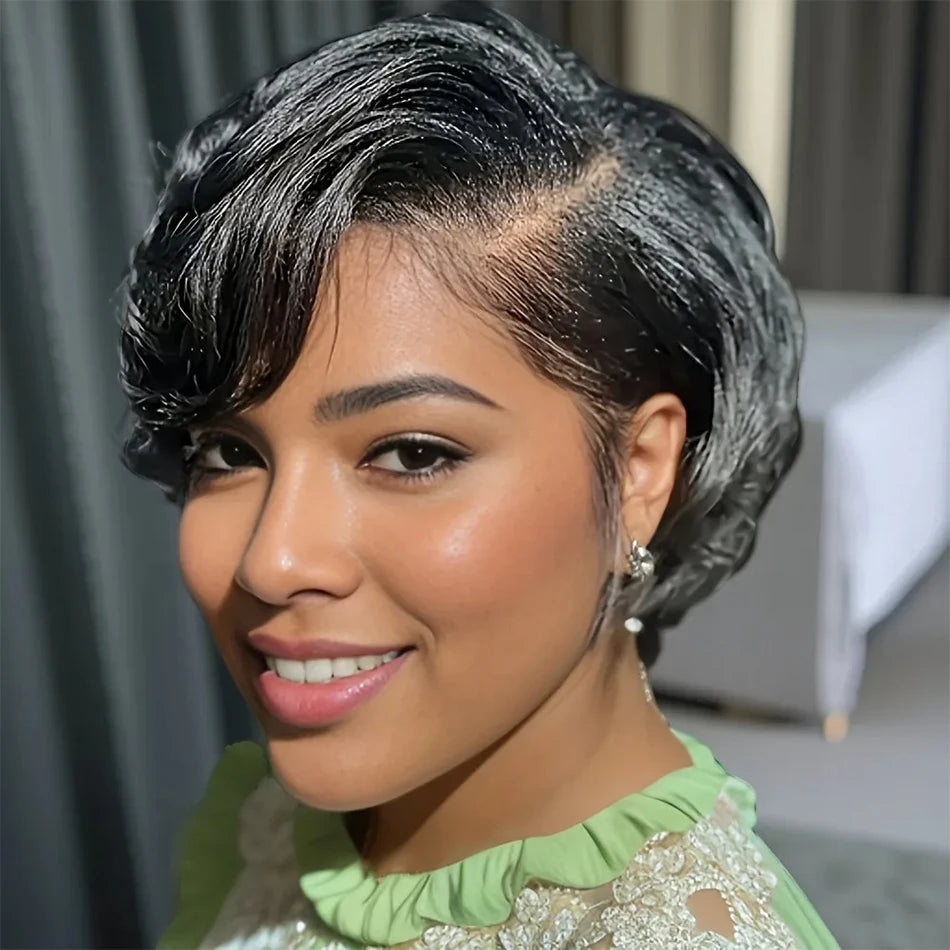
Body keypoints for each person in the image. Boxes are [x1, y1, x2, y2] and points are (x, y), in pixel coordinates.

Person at [118, 3, 838, 947]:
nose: (272, 560)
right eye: (229, 451)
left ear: (638, 471)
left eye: (412, 453)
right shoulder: (291, 820)